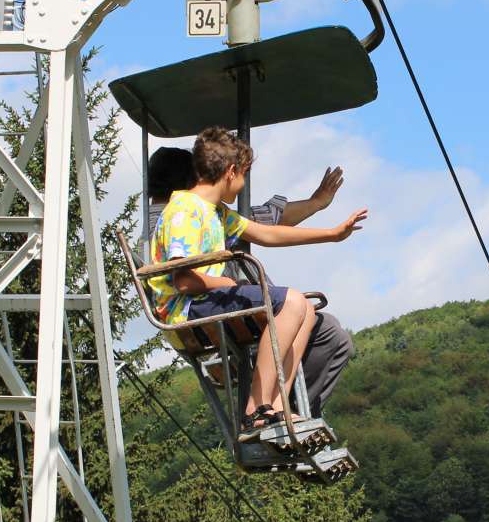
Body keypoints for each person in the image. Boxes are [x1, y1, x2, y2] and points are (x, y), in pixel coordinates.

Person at [146, 128, 366, 438]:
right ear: (231, 172)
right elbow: (182, 279)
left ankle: (276, 407)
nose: (243, 184)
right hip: (188, 307)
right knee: (288, 302)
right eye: (244, 175)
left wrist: (331, 234)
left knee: (300, 304)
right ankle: (257, 409)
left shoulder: (216, 213)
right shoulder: (184, 212)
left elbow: (267, 233)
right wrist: (221, 283)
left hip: (203, 299)